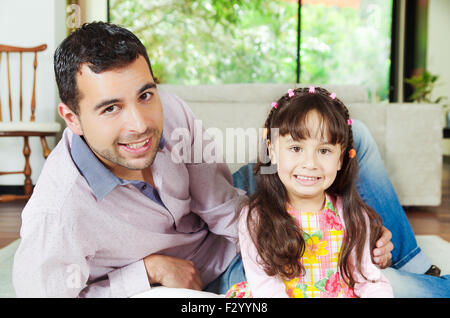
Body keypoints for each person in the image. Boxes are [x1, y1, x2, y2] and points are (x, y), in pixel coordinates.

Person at [9, 22, 417, 298]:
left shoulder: (170, 111)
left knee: (349, 135)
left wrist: (335, 226)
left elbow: (220, 203)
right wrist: (147, 271)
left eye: (145, 95)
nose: (140, 123)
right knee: (392, 288)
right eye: (110, 108)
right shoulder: (58, 213)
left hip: (238, 222)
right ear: (71, 117)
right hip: (219, 269)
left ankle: (403, 254)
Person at [229, 87, 450, 298]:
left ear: (341, 158)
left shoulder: (351, 215)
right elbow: (267, 288)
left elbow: (368, 279)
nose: (310, 163)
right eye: (296, 149)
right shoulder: (255, 217)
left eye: (324, 150)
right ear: (272, 152)